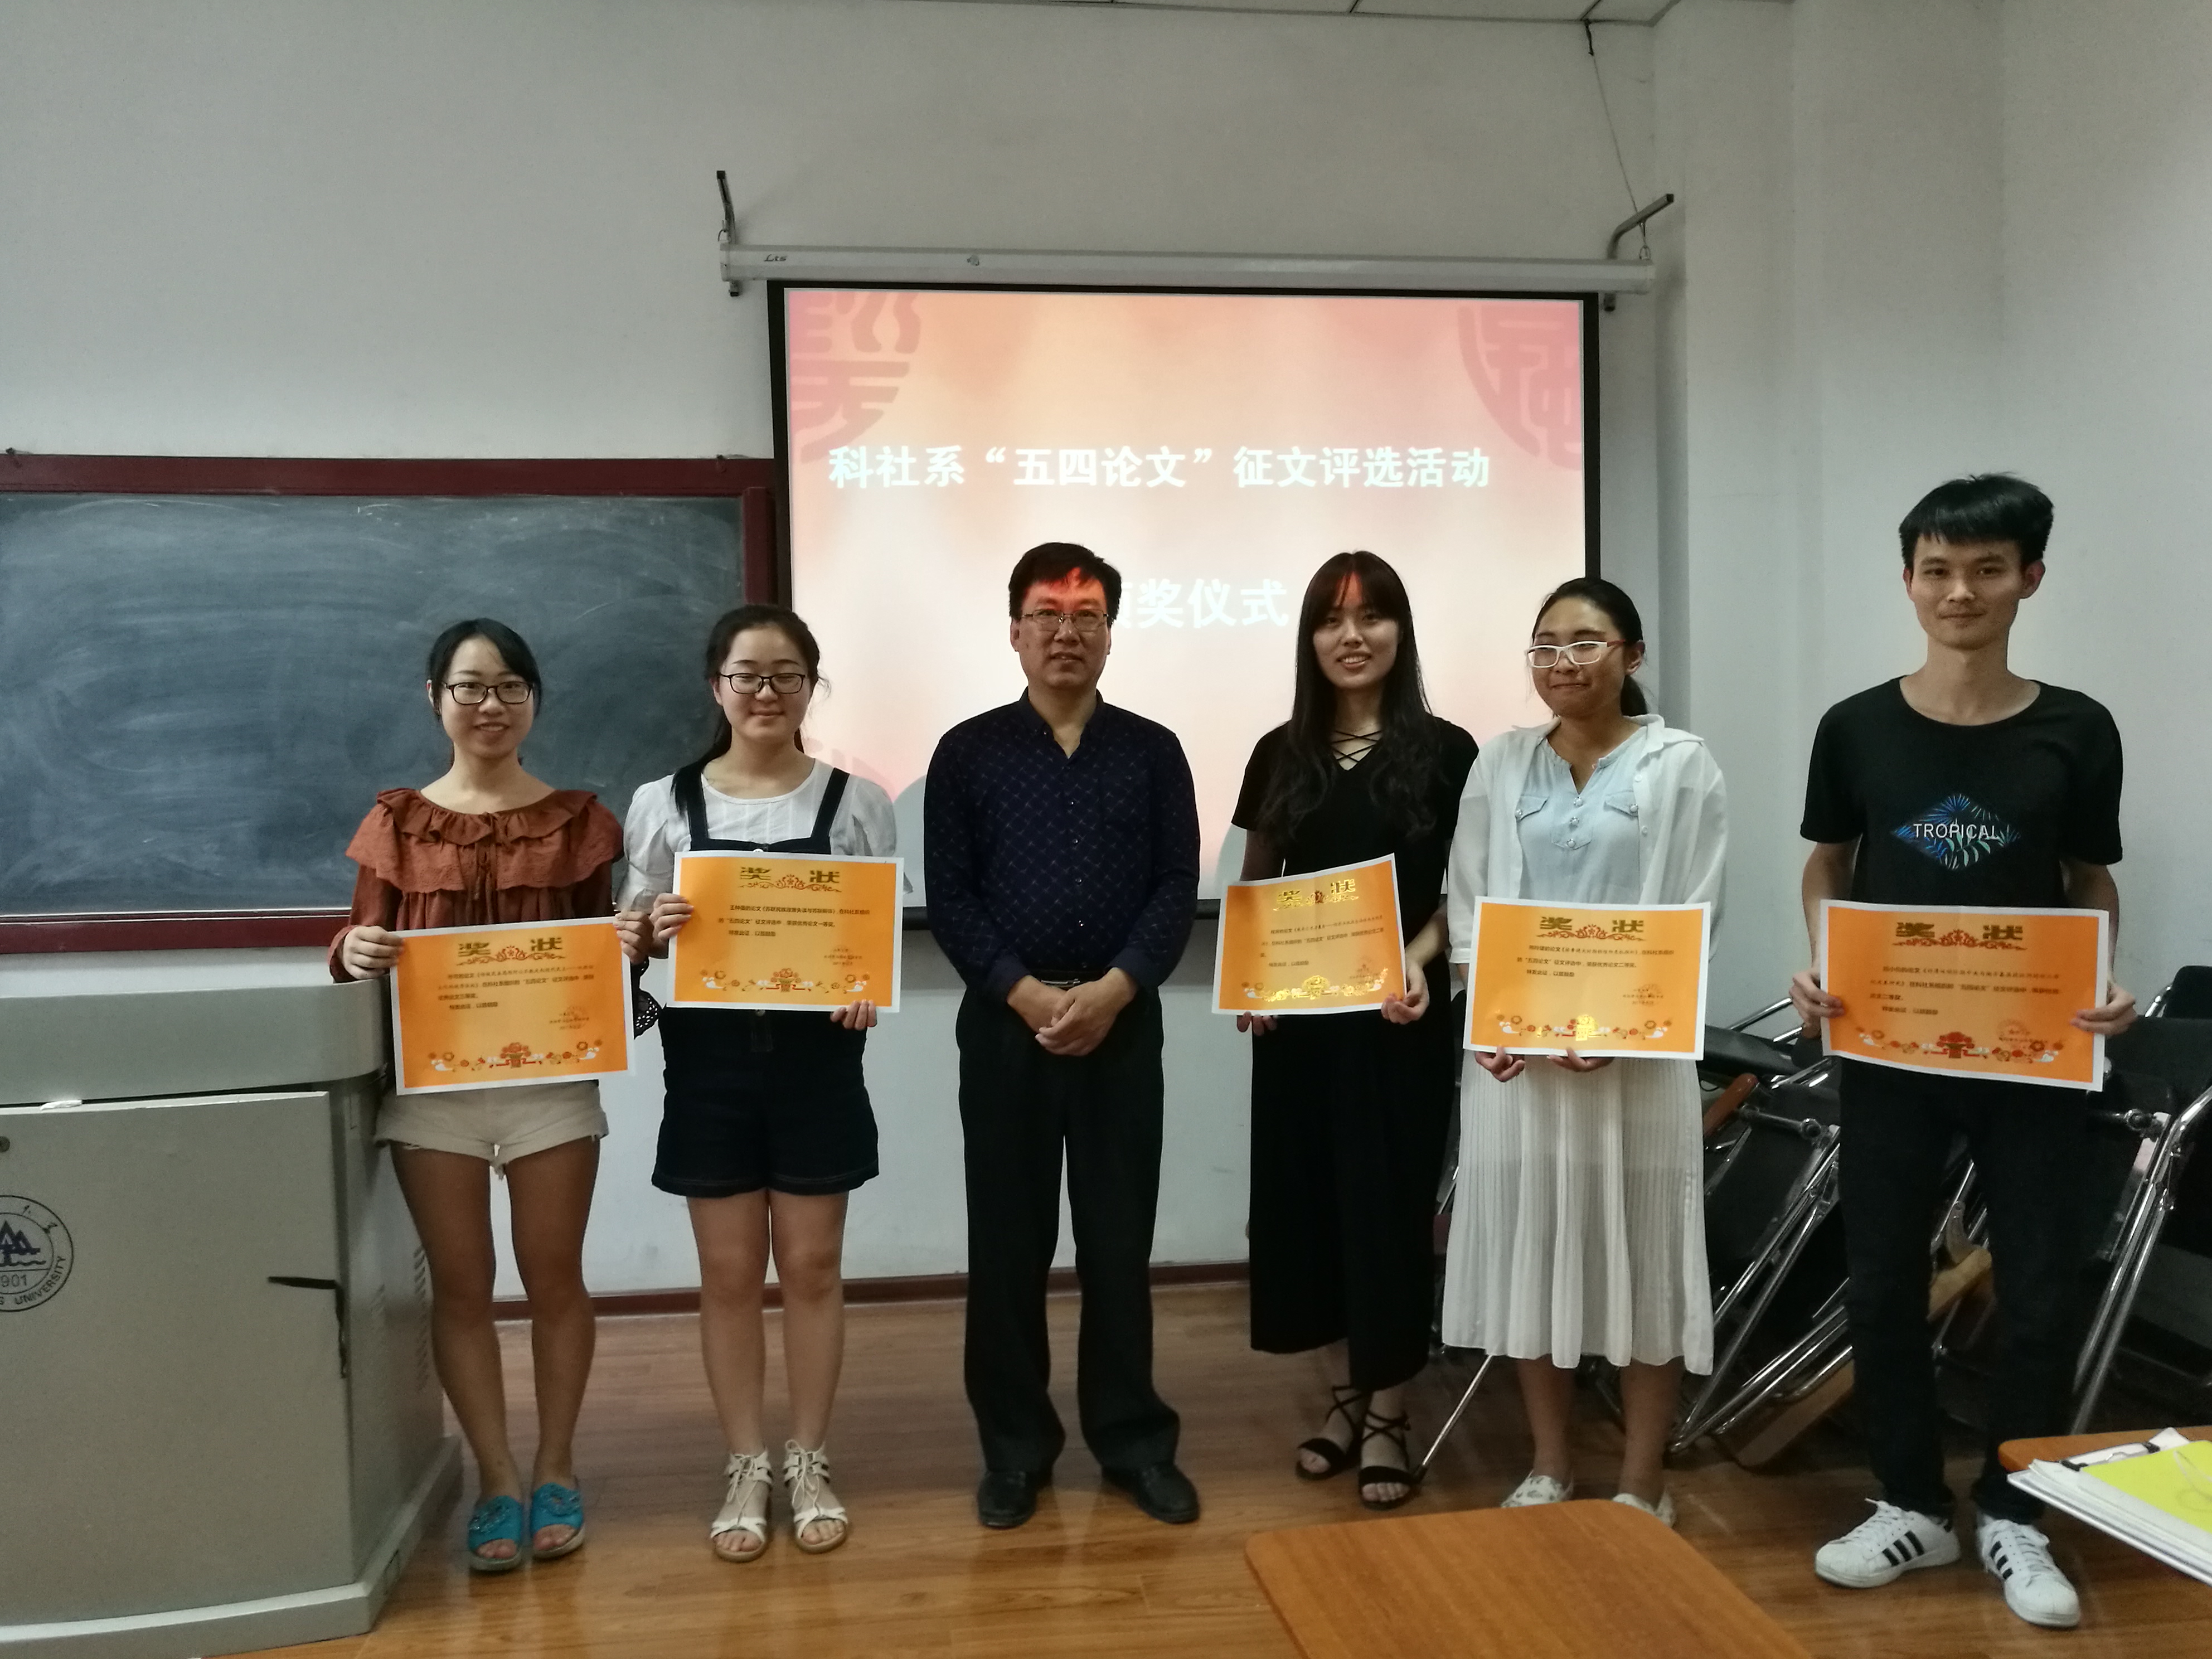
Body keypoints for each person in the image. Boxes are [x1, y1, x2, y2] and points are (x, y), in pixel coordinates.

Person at [1789, 475, 2135, 1630]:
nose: (1960, 592)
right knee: (1883, 1280)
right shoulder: (1855, 727)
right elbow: (1828, 863)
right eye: (1937, 569)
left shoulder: (2076, 728)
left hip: (2031, 1055)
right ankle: (1909, 1502)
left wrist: (2103, 981)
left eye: (1987, 569)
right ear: (1908, 580)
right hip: (1890, 1050)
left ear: (2029, 578)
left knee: (2039, 1289)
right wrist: (1820, 961)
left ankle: (2015, 1509)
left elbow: (2088, 880)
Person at [331, 619, 622, 1573]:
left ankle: (557, 1467)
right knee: (461, 1289)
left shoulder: (579, 821)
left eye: (509, 687)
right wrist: (353, 949)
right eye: (470, 687)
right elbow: (358, 946)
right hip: (435, 1093)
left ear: (534, 699)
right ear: (436, 699)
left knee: (555, 1278)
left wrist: (628, 947)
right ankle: (498, 1480)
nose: (490, 705)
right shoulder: (397, 822)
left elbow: (602, 964)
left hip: (550, 1087)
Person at [924, 541, 1202, 1530]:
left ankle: (1133, 1444)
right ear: (1015, 630)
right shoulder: (968, 752)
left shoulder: (1153, 750)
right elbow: (950, 896)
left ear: (1111, 633)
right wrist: (1029, 996)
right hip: (1008, 1031)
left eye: (1087, 616)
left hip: (1122, 1027)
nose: (1066, 632)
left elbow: (1176, 885)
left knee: (1119, 1245)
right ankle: (1014, 1451)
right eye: (1047, 614)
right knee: (1007, 1247)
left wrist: (1115, 991)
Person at [1436, 577, 1725, 1524]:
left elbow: (1692, 913)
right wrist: (1489, 1020)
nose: (1563, 662)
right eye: (1547, 645)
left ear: (1631, 655)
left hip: (1636, 1063)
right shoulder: (1501, 761)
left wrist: (1620, 1028)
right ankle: (1550, 1463)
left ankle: (1642, 1482)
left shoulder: (1681, 764)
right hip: (1517, 1065)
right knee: (1532, 1251)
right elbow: (1469, 904)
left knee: (1645, 1260)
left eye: (1587, 642)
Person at [616, 603, 894, 1563]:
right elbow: (631, 940)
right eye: (748, 675)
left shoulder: (857, 802)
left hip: (820, 1062)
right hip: (709, 1065)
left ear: (811, 687)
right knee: (730, 1275)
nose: (766, 692)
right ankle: (746, 1463)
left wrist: (866, 984)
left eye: (787, 675)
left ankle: (809, 1458)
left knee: (812, 1269)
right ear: (717, 686)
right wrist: (646, 931)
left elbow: (873, 938)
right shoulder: (663, 802)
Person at [1234, 551, 1478, 1511]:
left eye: (1372, 617)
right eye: (1331, 620)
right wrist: (1251, 980)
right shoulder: (1280, 752)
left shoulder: (1448, 752)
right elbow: (1258, 884)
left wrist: (1416, 958)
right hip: (1301, 1028)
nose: (1352, 636)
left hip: (1397, 1018)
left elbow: (1466, 888)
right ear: (1309, 639)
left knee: (1388, 1212)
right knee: (1314, 1209)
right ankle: (1344, 1397)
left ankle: (1389, 1412)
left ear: (1400, 632)